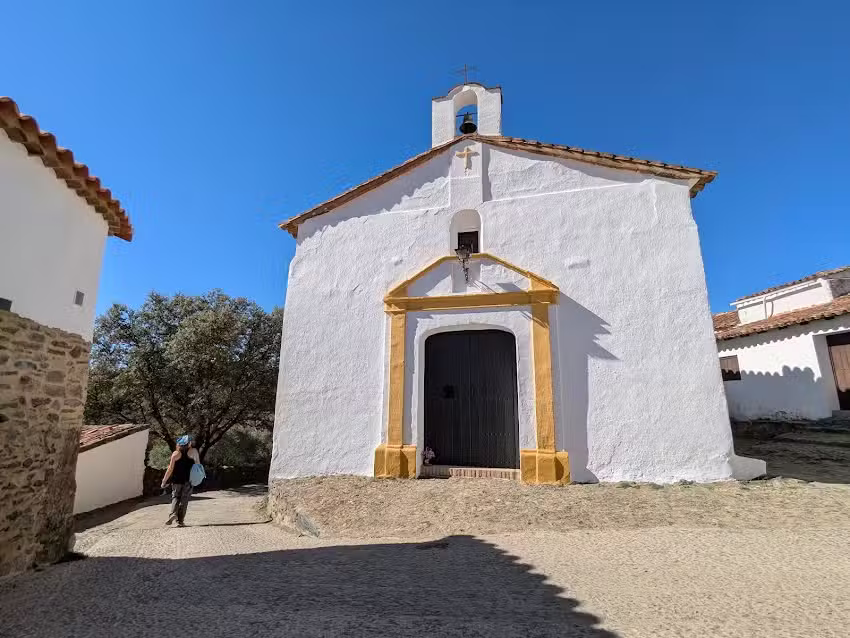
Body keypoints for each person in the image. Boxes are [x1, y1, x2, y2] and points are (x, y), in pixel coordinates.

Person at [161, 435, 200, 527]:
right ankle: (180, 521)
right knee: (184, 499)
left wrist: (164, 481)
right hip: (188, 480)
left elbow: (170, 469)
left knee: (175, 497)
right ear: (189, 443)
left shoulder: (175, 453)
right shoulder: (193, 451)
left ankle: (173, 513)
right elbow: (198, 465)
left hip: (176, 480)